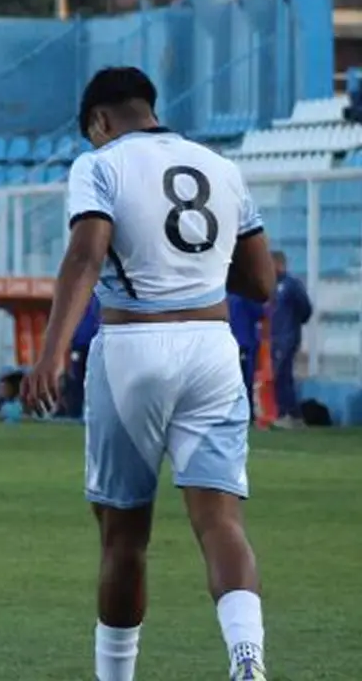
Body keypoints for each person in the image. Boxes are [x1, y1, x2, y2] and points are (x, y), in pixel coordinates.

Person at [21, 66, 276, 681]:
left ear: (100, 121)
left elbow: (86, 252)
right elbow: (262, 282)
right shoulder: (221, 167)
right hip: (214, 348)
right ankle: (248, 658)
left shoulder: (100, 163)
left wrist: (51, 353)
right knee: (220, 521)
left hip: (134, 346)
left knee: (124, 535)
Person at [268, 251, 312, 428]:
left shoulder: (291, 285)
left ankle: (289, 413)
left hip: (287, 336)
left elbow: (306, 308)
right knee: (281, 376)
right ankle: (290, 414)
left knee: (282, 375)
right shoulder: (273, 285)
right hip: (275, 336)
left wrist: (292, 325)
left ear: (279, 264)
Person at [228, 293, 265, 423]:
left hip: (230, 341)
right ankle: (246, 414)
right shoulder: (246, 296)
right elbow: (260, 313)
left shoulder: (224, 294)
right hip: (245, 342)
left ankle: (232, 413)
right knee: (245, 380)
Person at [64, 294, 101, 419]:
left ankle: (90, 412)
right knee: (77, 378)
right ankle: (75, 412)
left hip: (94, 343)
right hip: (79, 345)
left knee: (94, 380)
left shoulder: (100, 296)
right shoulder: (82, 297)